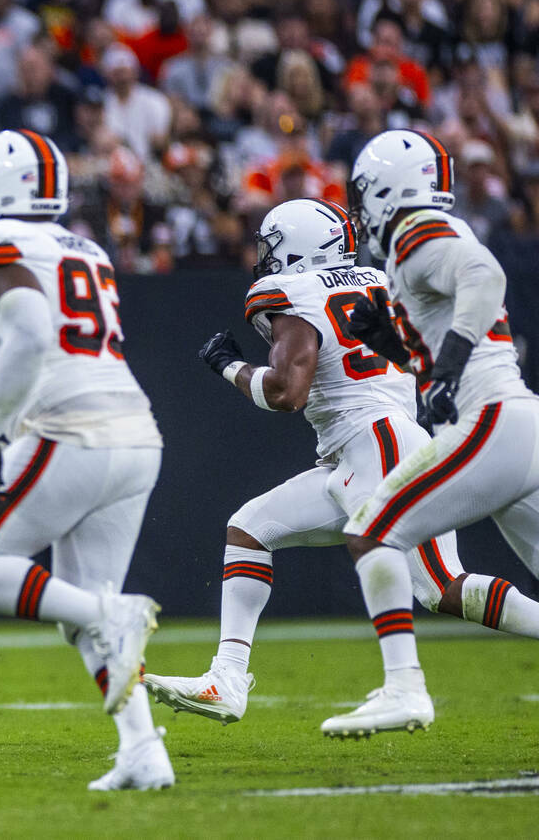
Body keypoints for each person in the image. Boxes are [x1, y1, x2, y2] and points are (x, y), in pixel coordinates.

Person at [142, 198, 539, 725]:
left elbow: (287, 393)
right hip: (362, 446)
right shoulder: (376, 279)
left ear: (300, 249)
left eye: (272, 247)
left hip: (377, 442)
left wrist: (227, 366)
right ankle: (227, 677)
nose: (264, 259)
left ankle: (403, 687)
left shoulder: (291, 291)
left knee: (442, 587)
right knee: (250, 529)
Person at [0, 129, 171, 791]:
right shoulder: (84, 246)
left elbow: (34, 333)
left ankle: (108, 615)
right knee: (82, 608)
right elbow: (61, 349)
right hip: (135, 435)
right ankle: (144, 750)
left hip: (73, 432)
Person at [319, 130, 539, 737]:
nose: (361, 210)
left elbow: (485, 275)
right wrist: (394, 345)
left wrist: (446, 367)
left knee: (369, 531)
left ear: (390, 189)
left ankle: (404, 688)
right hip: (521, 422)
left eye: (365, 194)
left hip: (490, 420)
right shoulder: (415, 246)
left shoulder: (418, 229)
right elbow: (441, 341)